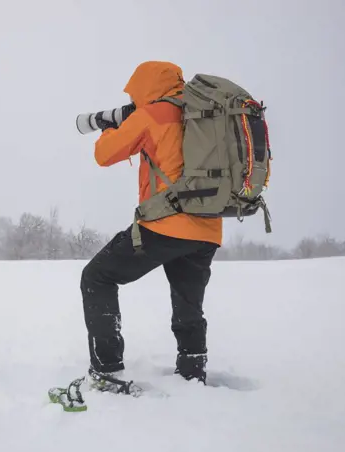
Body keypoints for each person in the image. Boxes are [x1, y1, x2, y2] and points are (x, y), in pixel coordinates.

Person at [81, 61, 222, 391]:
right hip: (207, 230)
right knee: (188, 303)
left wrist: (106, 125)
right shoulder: (201, 115)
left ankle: (107, 369)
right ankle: (192, 373)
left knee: (97, 277)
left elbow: (105, 153)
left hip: (165, 224)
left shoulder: (153, 114)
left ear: (145, 86)